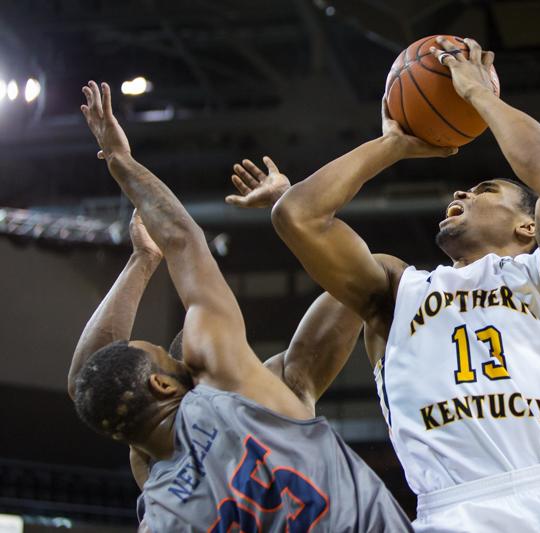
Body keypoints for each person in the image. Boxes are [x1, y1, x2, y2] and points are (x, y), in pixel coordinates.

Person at [266, 37, 540, 532]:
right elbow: (297, 215)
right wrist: (393, 144)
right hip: (449, 512)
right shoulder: (394, 290)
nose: (461, 191)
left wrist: (481, 98)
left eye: (484, 190)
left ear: (528, 226)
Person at [72, 80, 412, 532]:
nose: (183, 358)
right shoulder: (231, 388)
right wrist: (120, 160)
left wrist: (141, 259)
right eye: (172, 359)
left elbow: (88, 382)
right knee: (381, 272)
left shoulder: (158, 508)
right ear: (164, 384)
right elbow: (182, 238)